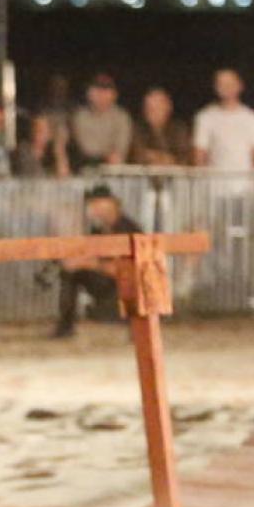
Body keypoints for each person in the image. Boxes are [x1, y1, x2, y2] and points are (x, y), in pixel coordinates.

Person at [53, 185, 141, 338]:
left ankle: (134, 325)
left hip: (129, 286)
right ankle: (65, 327)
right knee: (70, 272)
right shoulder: (98, 230)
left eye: (96, 202)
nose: (92, 208)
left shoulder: (127, 229)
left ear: (111, 204)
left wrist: (89, 263)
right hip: (107, 283)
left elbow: (127, 270)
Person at [192, 68, 254, 170]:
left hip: (245, 183)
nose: (226, 87)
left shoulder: (253, 118)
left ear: (240, 85)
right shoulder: (205, 117)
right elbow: (199, 155)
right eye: (221, 84)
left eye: (230, 83)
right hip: (214, 182)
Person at [67, 72, 133, 172]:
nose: (101, 94)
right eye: (97, 90)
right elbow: (87, 148)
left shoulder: (122, 117)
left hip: (114, 170)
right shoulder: (80, 117)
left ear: (114, 94)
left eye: (106, 90)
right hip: (85, 169)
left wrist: (113, 156)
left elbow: (120, 149)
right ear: (89, 93)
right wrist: (106, 155)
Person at [128, 86, 193, 167]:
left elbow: (184, 158)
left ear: (168, 107)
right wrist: (165, 159)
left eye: (158, 107)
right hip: (144, 176)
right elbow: (138, 156)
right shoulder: (137, 128)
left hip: (175, 176)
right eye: (149, 107)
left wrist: (157, 157)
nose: (152, 112)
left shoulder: (179, 128)